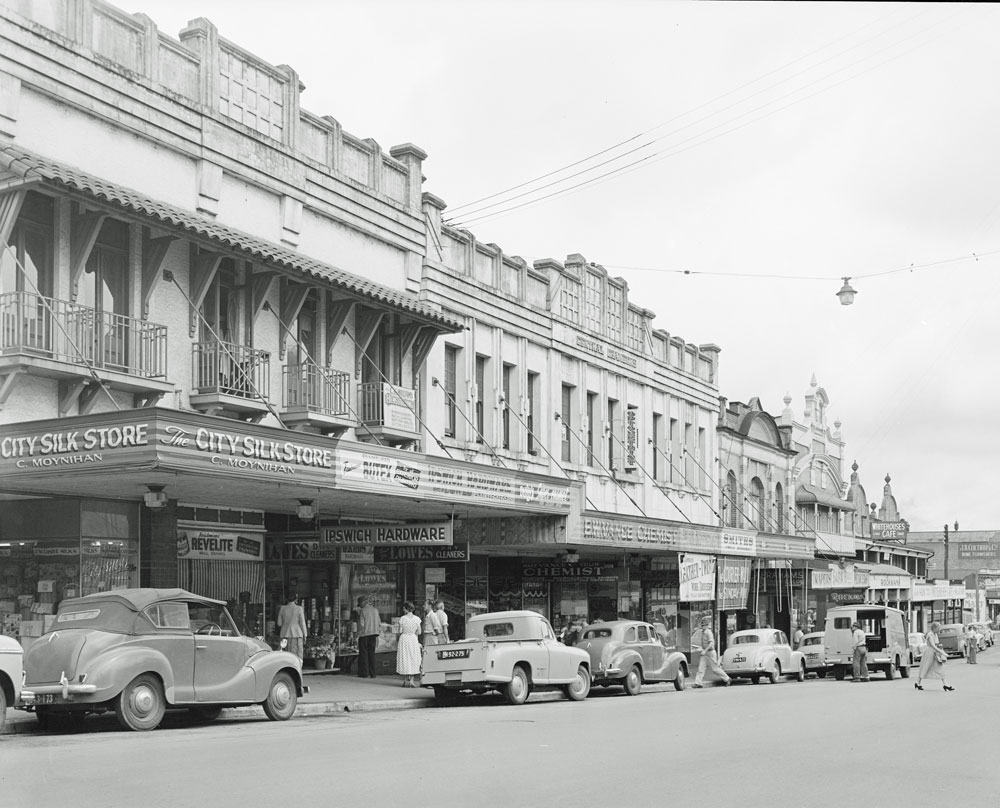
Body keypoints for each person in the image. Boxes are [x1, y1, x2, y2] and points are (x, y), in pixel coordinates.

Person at [692, 616, 732, 688]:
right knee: (701, 668)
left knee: (715, 669)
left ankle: (727, 678)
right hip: (705, 653)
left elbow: (711, 643)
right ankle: (698, 683)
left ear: (707, 625)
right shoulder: (702, 633)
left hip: (710, 653)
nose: (703, 626)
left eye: (704, 625)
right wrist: (702, 649)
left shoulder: (708, 633)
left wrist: (705, 650)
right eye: (702, 625)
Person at [915, 621, 954, 691]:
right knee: (925, 667)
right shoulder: (930, 635)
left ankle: (946, 684)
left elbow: (936, 644)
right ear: (934, 628)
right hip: (929, 653)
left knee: (939, 668)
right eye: (938, 628)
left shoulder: (935, 634)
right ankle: (918, 683)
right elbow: (932, 646)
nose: (939, 630)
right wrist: (942, 652)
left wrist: (940, 646)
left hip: (935, 653)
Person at [396, 601, 422, 687]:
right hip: (413, 639)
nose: (403, 610)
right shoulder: (417, 619)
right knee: (413, 658)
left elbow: (400, 631)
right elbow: (419, 632)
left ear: (407, 609)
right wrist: (413, 633)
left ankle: (405, 680)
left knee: (405, 658)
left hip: (404, 639)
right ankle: (412, 680)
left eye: (404, 608)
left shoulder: (403, 619)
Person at [276, 593, 307, 661]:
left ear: (286, 599)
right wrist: (305, 634)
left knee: (285, 655)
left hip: (284, 634)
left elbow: (279, 623)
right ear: (296, 599)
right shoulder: (299, 608)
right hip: (297, 634)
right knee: (297, 655)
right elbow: (302, 623)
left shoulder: (282, 608)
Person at [356, 595, 381, 679]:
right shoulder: (375, 610)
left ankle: (364, 673)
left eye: (360, 604)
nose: (360, 606)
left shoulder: (363, 611)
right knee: (371, 654)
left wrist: (357, 634)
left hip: (364, 634)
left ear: (363, 602)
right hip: (374, 634)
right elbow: (379, 623)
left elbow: (362, 624)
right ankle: (373, 673)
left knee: (363, 654)